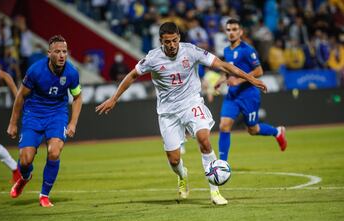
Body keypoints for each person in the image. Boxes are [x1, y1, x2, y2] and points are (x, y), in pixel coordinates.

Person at [96, 22, 266, 205]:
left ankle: (214, 191)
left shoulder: (191, 51)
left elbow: (222, 65)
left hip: (191, 103)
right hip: (168, 113)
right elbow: (131, 76)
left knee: (204, 139)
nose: (171, 45)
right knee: (174, 159)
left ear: (179, 38)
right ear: (161, 41)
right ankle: (182, 174)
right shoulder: (153, 58)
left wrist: (249, 78)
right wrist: (114, 98)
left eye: (175, 40)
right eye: (167, 42)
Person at [7, 35, 83, 207]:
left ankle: (44, 195)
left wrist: (72, 123)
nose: (62, 55)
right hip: (33, 115)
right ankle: (25, 177)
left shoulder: (71, 73)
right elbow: (20, 96)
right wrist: (13, 123)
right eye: (57, 52)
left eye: (64, 51)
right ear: (49, 53)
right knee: (25, 160)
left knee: (54, 152)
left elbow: (77, 97)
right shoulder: (35, 70)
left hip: (57, 115)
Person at [214, 18, 287, 163]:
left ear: (241, 32)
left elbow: (259, 71)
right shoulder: (227, 50)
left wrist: (239, 80)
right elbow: (229, 69)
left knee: (252, 130)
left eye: (235, 29)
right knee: (224, 125)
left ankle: (277, 131)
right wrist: (222, 79)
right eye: (228, 30)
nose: (231, 33)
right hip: (233, 95)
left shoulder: (247, 50)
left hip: (249, 95)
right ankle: (222, 163)